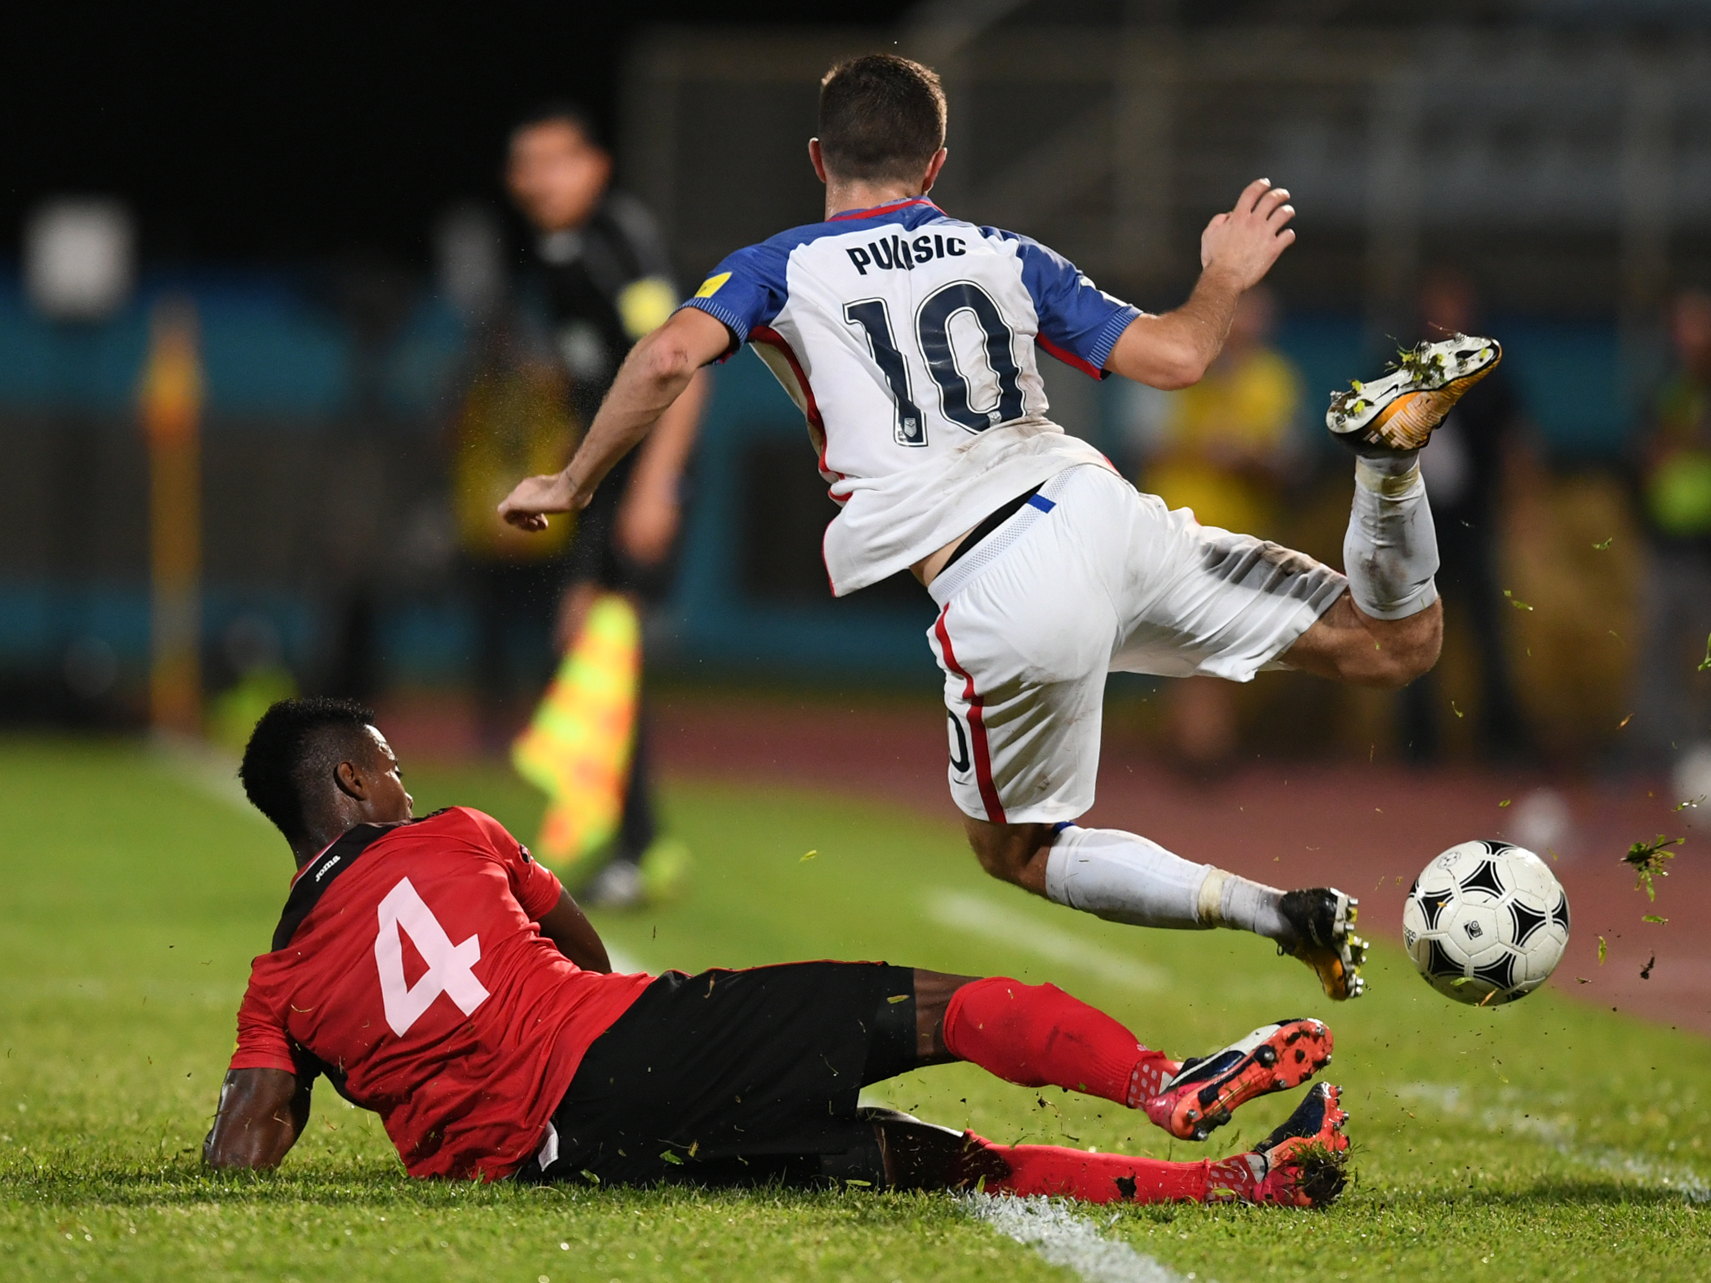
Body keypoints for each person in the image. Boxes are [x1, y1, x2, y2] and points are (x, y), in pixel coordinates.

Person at [499, 56, 1497, 1001]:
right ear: (935, 164)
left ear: (818, 160)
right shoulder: (1005, 253)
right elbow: (1182, 355)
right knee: (1396, 643)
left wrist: (578, 476)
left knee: (1015, 848)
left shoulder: (779, 265)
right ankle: (1387, 465)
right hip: (1104, 514)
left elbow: (670, 356)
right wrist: (1223, 276)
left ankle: (1273, 909)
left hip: (1001, 575)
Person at [203, 697, 1350, 1208]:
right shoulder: (453, 829)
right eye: (385, 761)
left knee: (929, 1161)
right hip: (620, 1049)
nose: (402, 777)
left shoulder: (280, 978)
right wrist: (603, 1024)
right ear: (351, 780)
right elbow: (574, 941)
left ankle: (1240, 1186)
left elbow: (243, 1149)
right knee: (938, 1007)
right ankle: (1164, 1083)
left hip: (558, 1167)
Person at [502, 103, 708, 907]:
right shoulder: (555, 255)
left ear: (593, 166)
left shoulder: (617, 240)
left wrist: (656, 485)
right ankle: (626, 836)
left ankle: (636, 844)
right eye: (523, 164)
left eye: (551, 160)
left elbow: (681, 365)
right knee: (582, 649)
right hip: (604, 482)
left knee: (602, 655)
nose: (534, 178)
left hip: (642, 478)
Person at [1126, 286, 1305, 767]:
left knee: (1213, 641)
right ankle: (1204, 745)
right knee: (1194, 635)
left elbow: (1289, 463)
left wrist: (1251, 459)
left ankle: (1191, 739)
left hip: (1247, 534)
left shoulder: (1274, 379)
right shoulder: (1171, 362)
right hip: (1174, 525)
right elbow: (1144, 442)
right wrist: (1208, 450)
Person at [1397, 270, 1531, 762]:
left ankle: (1499, 737)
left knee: (1487, 634)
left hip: (1473, 524)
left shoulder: (1489, 374)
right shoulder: (1400, 369)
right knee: (1412, 634)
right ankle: (1418, 742)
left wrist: (1522, 510)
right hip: (1413, 528)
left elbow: (1516, 444)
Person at [1631, 287, 1711, 770]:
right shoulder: (1665, 387)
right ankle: (1666, 753)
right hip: (1667, 543)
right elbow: (1645, 453)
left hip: (1707, 548)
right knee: (1658, 657)